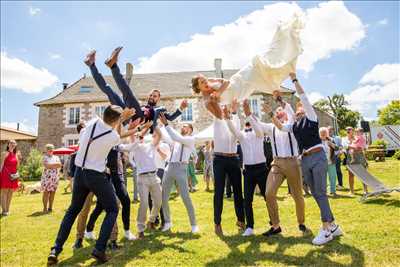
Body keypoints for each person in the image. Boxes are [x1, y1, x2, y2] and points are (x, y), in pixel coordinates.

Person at [47, 105, 134, 265]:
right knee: (113, 208)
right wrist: (124, 118)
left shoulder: (93, 122)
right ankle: (99, 249)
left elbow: (110, 123)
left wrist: (120, 117)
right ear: (116, 120)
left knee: (72, 211)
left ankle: (55, 249)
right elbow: (118, 134)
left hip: (80, 173)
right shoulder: (113, 136)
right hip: (96, 175)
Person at [271, 72, 342, 245]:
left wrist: (294, 79)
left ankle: (326, 229)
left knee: (320, 193)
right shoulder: (294, 125)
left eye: (300, 107)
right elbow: (280, 126)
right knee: (317, 194)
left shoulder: (311, 117)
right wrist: (271, 112)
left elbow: (302, 95)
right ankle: (333, 225)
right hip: (305, 160)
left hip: (317, 156)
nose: (299, 108)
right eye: (296, 109)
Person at [191, 14, 303, 118]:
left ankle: (286, 40)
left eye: (204, 80)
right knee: (263, 76)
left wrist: (219, 92)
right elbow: (220, 115)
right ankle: (277, 76)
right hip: (242, 93)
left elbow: (227, 82)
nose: (205, 82)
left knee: (261, 66)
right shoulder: (207, 99)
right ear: (198, 87)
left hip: (240, 80)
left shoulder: (211, 81)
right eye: (202, 82)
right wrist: (223, 107)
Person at [246, 97, 306, 237]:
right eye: (277, 111)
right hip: (277, 163)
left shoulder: (292, 123)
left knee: (297, 195)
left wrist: (279, 102)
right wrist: (248, 113)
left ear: (286, 113)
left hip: (292, 162)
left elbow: (290, 113)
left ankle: (301, 222)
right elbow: (258, 124)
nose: (279, 112)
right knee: (269, 193)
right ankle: (275, 225)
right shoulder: (271, 127)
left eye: (281, 110)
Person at [223, 101, 269, 237]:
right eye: (246, 123)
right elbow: (233, 130)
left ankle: (274, 222)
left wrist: (248, 114)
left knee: (268, 197)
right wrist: (227, 118)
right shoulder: (242, 136)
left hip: (261, 169)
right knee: (247, 199)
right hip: (248, 171)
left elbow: (257, 127)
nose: (248, 124)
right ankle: (250, 226)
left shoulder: (259, 133)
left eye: (250, 122)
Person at [119, 124, 163, 239]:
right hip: (142, 179)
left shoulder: (151, 145)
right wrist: (138, 128)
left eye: (142, 136)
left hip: (154, 176)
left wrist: (154, 123)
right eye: (139, 136)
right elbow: (132, 136)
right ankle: (140, 229)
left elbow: (159, 135)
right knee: (143, 203)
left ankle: (151, 220)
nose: (141, 137)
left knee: (158, 202)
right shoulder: (135, 147)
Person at [158, 113, 198, 233]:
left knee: (185, 197)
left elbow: (177, 137)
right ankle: (168, 223)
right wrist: (157, 124)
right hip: (169, 167)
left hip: (181, 168)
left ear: (190, 130)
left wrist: (166, 124)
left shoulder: (190, 139)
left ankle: (194, 224)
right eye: (182, 126)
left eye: (185, 126)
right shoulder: (175, 140)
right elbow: (166, 136)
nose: (183, 127)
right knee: (163, 197)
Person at [212, 102, 245, 235]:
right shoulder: (217, 119)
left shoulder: (234, 121)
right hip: (219, 159)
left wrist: (234, 111)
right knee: (219, 192)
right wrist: (222, 111)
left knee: (238, 190)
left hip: (233, 159)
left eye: (228, 109)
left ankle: (241, 220)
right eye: (223, 108)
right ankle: (217, 223)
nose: (226, 110)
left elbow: (237, 130)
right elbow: (213, 105)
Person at [343, 127, 368, 196]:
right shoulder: (344, 139)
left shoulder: (359, 138)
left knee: (363, 173)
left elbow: (363, 147)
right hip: (350, 157)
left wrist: (357, 148)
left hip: (360, 156)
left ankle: (365, 190)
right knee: (351, 174)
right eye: (347, 130)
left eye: (349, 130)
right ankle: (351, 191)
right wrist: (353, 147)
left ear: (353, 131)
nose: (348, 131)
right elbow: (345, 147)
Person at [0, 140, 21, 216]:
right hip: (5, 175)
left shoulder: (16, 154)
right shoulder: (4, 153)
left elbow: (17, 166)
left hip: (14, 175)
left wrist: (19, 158)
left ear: (15, 145)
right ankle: (4, 210)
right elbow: (1, 165)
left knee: (10, 192)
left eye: (14, 143)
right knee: (4, 192)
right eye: (11, 143)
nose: (12, 144)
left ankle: (7, 209)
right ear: (8, 145)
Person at [41, 144, 62, 213]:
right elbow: (47, 166)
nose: (50, 150)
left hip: (55, 178)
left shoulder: (56, 157)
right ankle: (45, 208)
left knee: (53, 193)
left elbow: (60, 165)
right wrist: (55, 165)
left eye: (52, 149)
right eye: (49, 149)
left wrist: (51, 166)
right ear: (46, 150)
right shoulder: (44, 157)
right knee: (46, 193)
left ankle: (50, 208)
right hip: (46, 178)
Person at [319, 127, 338, 196]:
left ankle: (333, 191)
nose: (323, 134)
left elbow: (337, 148)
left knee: (332, 177)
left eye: (325, 132)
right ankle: (324, 191)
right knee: (322, 178)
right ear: (319, 134)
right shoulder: (317, 141)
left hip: (331, 161)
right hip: (321, 162)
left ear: (327, 133)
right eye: (322, 133)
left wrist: (331, 144)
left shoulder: (331, 140)